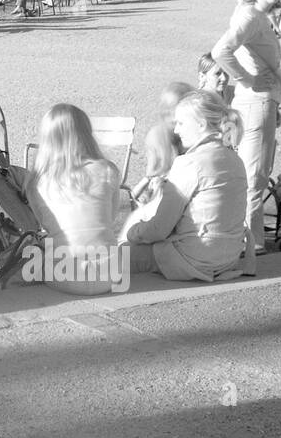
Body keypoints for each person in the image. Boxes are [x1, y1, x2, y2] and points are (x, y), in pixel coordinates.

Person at [125, 91, 248, 281]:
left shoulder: (190, 163)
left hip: (194, 258)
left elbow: (159, 229)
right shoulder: (235, 159)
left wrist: (133, 231)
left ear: (201, 124)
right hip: (228, 258)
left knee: (114, 257)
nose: (176, 130)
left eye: (181, 123)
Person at [211, 0, 281, 271]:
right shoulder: (252, 16)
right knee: (254, 175)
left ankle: (247, 239)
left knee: (252, 171)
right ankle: (252, 243)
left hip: (258, 104)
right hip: (255, 103)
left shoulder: (256, 15)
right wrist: (247, 79)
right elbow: (220, 51)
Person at [24, 104, 123, 295]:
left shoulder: (38, 182)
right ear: (86, 133)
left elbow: (45, 225)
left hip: (64, 275)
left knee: (38, 254)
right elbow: (110, 218)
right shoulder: (107, 170)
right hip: (111, 274)